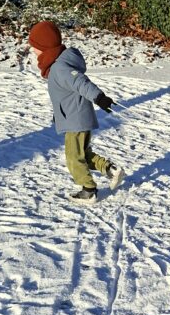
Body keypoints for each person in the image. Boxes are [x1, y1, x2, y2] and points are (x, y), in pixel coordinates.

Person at [28, 21, 126, 203]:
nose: (33, 50)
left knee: (73, 157)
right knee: (83, 155)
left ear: (45, 46)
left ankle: (89, 190)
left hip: (76, 120)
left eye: (35, 46)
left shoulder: (60, 68)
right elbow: (65, 95)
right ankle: (110, 170)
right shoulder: (59, 65)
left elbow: (81, 83)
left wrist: (99, 97)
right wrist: (58, 115)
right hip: (75, 117)